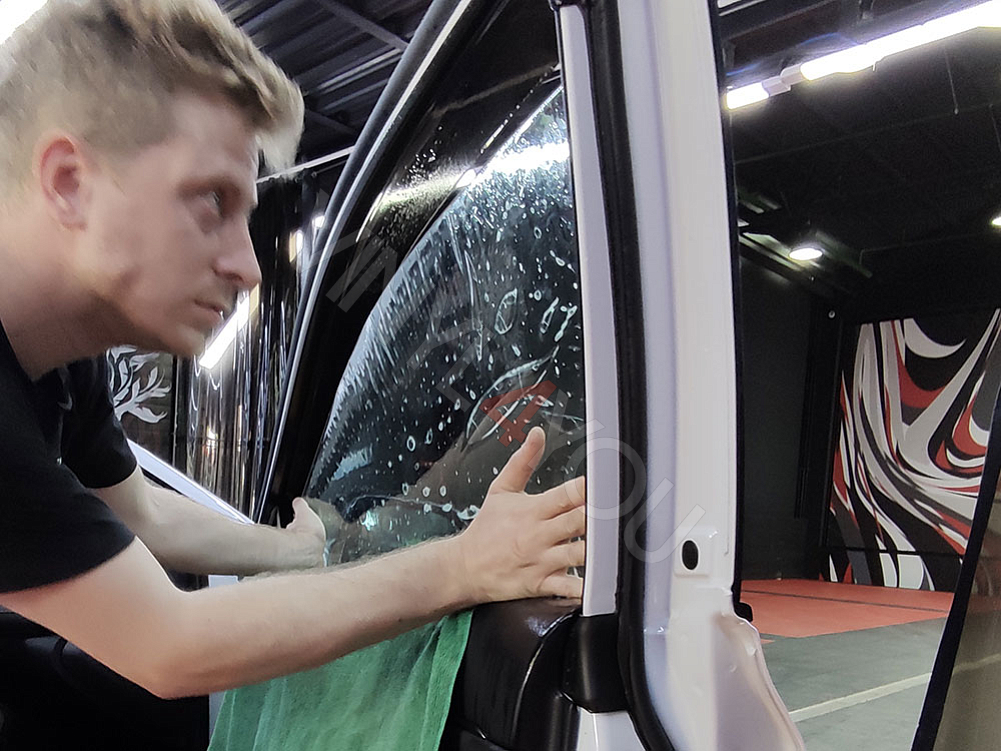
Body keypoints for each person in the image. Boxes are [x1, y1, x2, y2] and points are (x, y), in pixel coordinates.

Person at [0, 0, 586, 700]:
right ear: (69, 182)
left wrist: (302, 548)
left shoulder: (64, 363)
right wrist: (463, 566)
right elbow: (169, 645)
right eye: (211, 202)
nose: (248, 268)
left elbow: (142, 514)